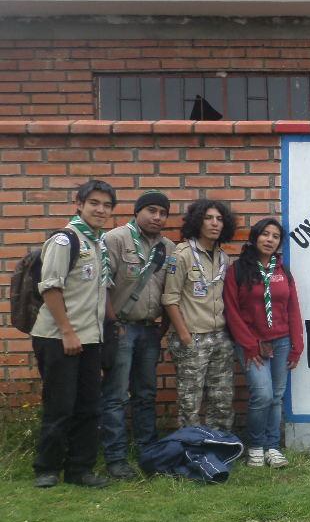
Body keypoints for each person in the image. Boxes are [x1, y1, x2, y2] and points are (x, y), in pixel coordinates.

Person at [31, 180, 117, 488]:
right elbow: (50, 288)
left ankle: (80, 469)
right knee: (60, 404)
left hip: (90, 338)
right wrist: (67, 332)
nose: (101, 210)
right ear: (78, 204)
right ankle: (47, 468)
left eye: (107, 205)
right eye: (94, 203)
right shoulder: (66, 241)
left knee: (89, 405)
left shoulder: (97, 242)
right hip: (58, 336)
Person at [97, 191, 176, 480]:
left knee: (146, 394)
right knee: (116, 396)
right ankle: (116, 458)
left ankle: (148, 451)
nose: (157, 217)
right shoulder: (115, 239)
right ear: (137, 211)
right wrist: (112, 323)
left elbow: (171, 290)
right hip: (122, 328)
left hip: (149, 330)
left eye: (163, 213)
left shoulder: (168, 246)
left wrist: (163, 326)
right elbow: (103, 285)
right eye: (151, 211)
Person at [224, 218, 304, 468]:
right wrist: (248, 344)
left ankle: (273, 447)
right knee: (262, 394)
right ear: (255, 237)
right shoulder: (237, 270)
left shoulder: (282, 272)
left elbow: (292, 308)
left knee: (277, 396)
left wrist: (297, 345)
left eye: (275, 236)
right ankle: (256, 446)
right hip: (252, 344)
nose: (269, 239)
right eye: (265, 234)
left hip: (281, 342)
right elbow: (231, 310)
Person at [162, 199, 237, 431]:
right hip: (192, 337)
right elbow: (170, 299)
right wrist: (185, 336)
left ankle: (220, 446)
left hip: (219, 337)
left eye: (219, 219)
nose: (215, 223)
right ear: (197, 221)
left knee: (222, 399)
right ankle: (191, 450)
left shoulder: (223, 258)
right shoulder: (182, 254)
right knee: (190, 401)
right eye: (208, 218)